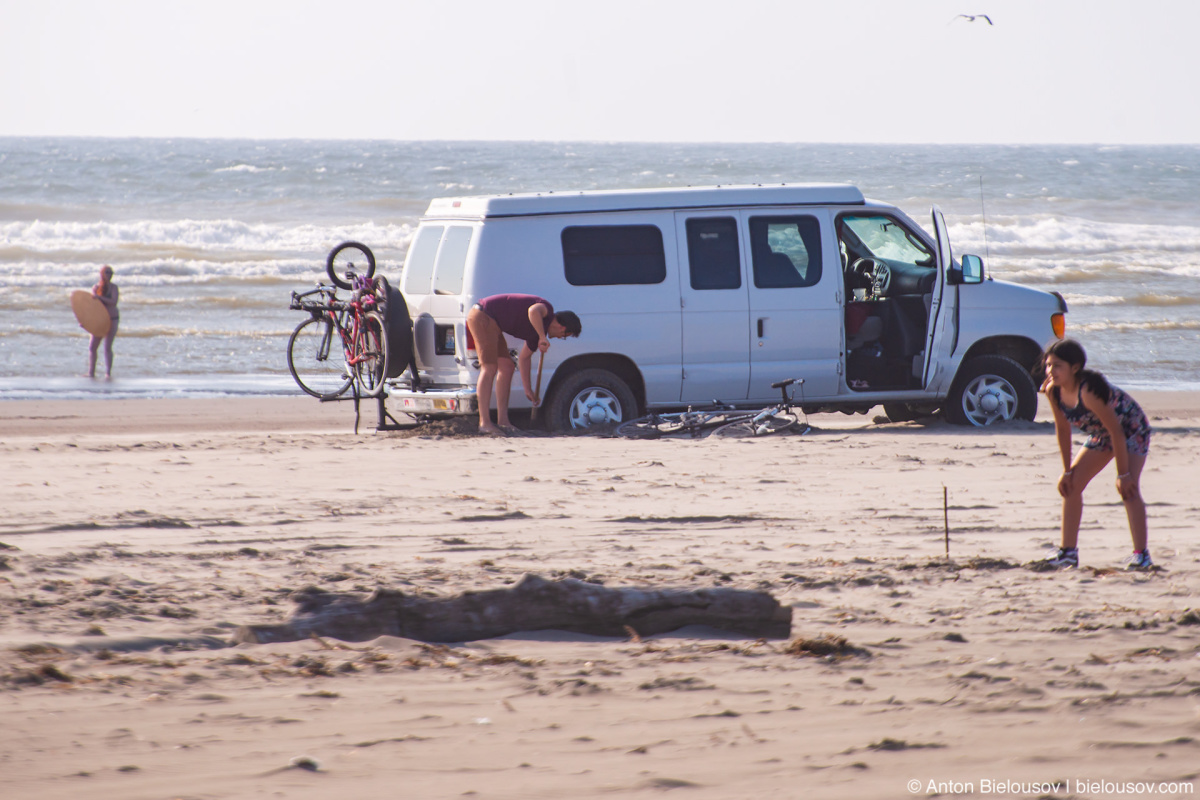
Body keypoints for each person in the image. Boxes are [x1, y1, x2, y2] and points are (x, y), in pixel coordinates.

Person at [1039, 339, 1153, 570]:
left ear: (1075, 367)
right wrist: (1067, 470)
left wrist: (1123, 475)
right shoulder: (1054, 391)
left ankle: (1142, 556)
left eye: (1057, 365)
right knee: (1071, 486)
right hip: (1101, 434)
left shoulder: (1088, 391)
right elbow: (1063, 429)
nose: (1051, 371)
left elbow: (1117, 432)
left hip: (1130, 430)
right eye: (1048, 365)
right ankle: (1068, 553)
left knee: (1128, 490)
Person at [466, 294, 581, 435]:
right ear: (562, 328)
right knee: (489, 367)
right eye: (564, 336)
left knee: (507, 367)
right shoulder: (546, 310)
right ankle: (484, 423)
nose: (559, 338)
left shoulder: (536, 336)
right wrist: (542, 337)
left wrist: (528, 390)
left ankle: (503, 421)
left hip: (493, 323)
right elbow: (533, 311)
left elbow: (524, 358)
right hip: (483, 315)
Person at [88, 265, 120, 379]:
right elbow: (91, 306)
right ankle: (91, 372)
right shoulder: (96, 287)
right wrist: (84, 321)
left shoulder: (114, 288)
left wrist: (100, 298)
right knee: (92, 347)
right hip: (99, 320)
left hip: (112, 319)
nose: (109, 275)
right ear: (102, 274)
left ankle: (108, 373)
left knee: (107, 347)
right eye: (107, 272)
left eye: (111, 273)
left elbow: (113, 302)